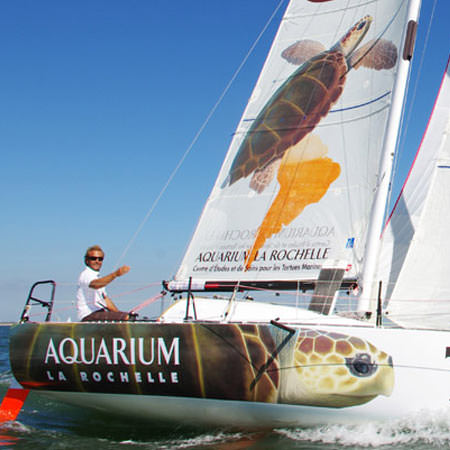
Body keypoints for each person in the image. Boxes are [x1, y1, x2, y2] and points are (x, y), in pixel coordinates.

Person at [77, 245, 131, 321]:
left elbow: (106, 300)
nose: (97, 261)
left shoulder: (97, 277)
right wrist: (115, 274)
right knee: (127, 318)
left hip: (99, 312)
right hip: (88, 314)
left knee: (129, 317)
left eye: (100, 259)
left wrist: (119, 314)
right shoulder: (86, 274)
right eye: (93, 258)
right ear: (86, 260)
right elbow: (95, 285)